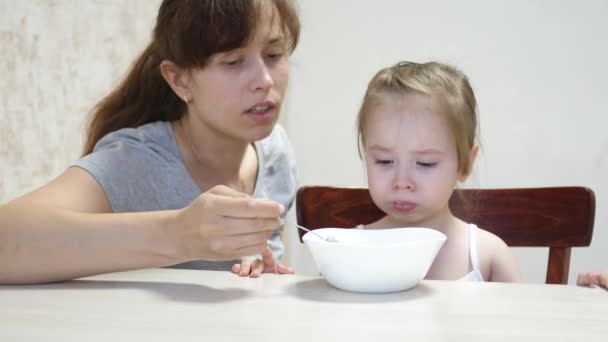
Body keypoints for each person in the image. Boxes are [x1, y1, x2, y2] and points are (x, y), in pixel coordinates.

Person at [0, 0, 301, 284]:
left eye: (273, 55)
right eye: (233, 61)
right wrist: (180, 234)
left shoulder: (275, 151)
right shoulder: (136, 162)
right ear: (179, 80)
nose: (265, 80)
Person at [355, 61, 522, 282]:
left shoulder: (487, 255)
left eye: (425, 163)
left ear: (464, 164)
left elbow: (525, 316)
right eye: (384, 161)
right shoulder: (349, 248)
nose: (402, 181)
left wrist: (580, 299)